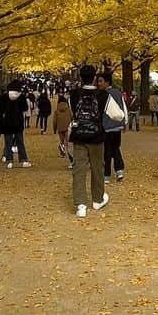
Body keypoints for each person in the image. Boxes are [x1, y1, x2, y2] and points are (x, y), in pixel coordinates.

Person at [71, 65, 109, 218]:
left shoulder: (73, 94)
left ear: (80, 77)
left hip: (79, 135)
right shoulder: (103, 95)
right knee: (97, 167)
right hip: (96, 136)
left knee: (79, 169)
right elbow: (117, 115)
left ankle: (80, 204)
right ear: (94, 77)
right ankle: (97, 199)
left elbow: (72, 112)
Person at [99, 70, 127, 183]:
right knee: (116, 148)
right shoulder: (118, 93)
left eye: (101, 81)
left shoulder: (103, 95)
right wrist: (124, 122)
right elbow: (124, 108)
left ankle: (106, 175)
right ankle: (119, 170)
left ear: (107, 82)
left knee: (106, 151)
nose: (98, 83)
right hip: (117, 127)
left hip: (106, 126)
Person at [0, 79, 31, 169]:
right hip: (18, 122)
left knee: (8, 142)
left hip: (7, 122)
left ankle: (9, 161)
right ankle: (23, 160)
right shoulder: (21, 97)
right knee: (20, 141)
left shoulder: (4, 97)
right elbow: (25, 108)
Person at [53, 88, 73, 163]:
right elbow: (72, 117)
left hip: (60, 128)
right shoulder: (68, 110)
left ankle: (62, 151)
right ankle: (69, 155)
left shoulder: (57, 111)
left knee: (61, 141)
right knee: (67, 142)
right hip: (67, 127)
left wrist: (54, 129)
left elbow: (54, 121)